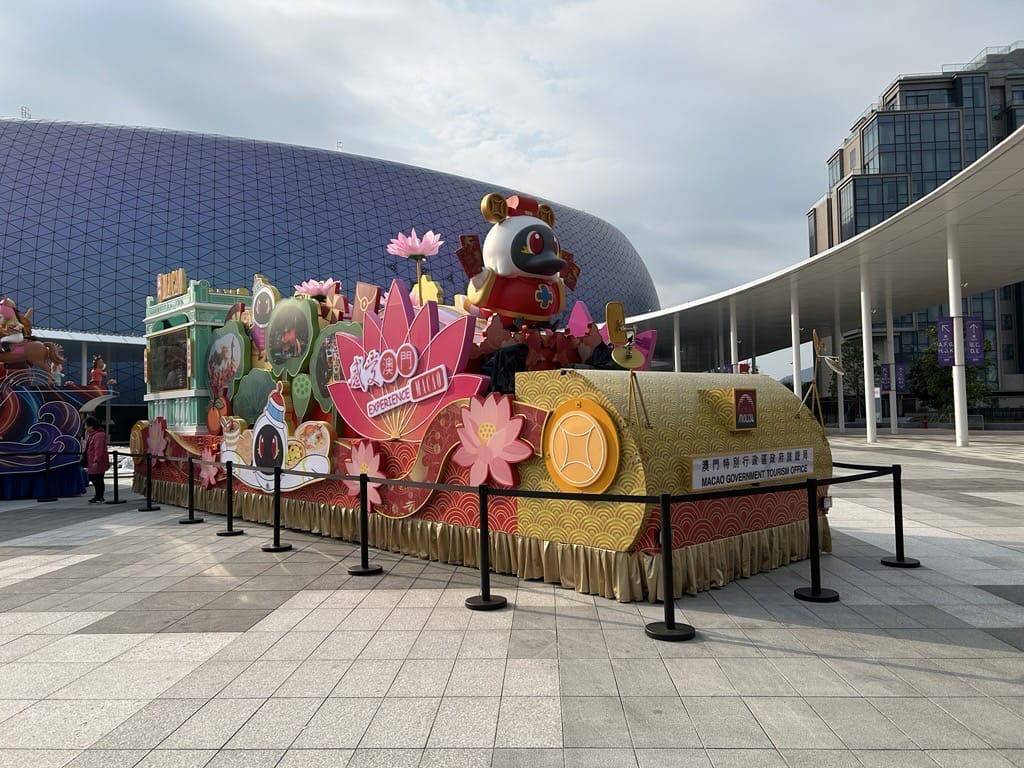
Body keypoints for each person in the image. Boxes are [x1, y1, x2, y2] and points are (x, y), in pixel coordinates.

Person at [83, 416, 109, 503]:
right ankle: (98, 496)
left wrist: (96, 460)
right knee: (95, 479)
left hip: (97, 462)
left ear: (91, 426)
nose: (85, 428)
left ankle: (99, 496)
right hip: (92, 461)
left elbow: (99, 449)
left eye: (86, 425)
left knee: (97, 479)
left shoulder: (98, 435)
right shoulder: (91, 435)